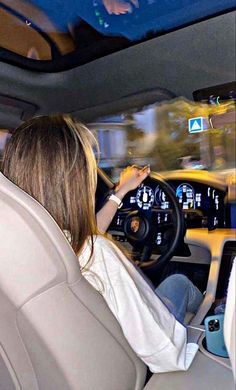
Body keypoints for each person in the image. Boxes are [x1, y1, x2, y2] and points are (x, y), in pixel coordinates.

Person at [2, 115, 202, 373]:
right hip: (135, 363)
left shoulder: (27, 250)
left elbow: (81, 237)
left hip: (71, 365)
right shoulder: (98, 255)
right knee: (180, 283)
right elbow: (167, 354)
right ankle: (216, 308)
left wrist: (120, 193)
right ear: (75, 182)